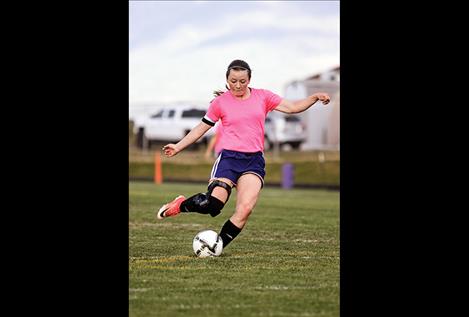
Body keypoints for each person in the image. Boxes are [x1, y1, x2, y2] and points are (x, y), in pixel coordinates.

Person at [157, 59, 330, 249]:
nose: (237, 85)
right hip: (229, 159)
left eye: (242, 81)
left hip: (253, 162)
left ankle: (218, 245)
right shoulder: (220, 103)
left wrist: (314, 97)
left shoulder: (263, 96)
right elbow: (201, 128)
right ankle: (180, 205)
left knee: (245, 209)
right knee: (212, 204)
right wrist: (178, 146)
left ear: (249, 80)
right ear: (227, 80)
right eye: (233, 81)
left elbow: (293, 107)